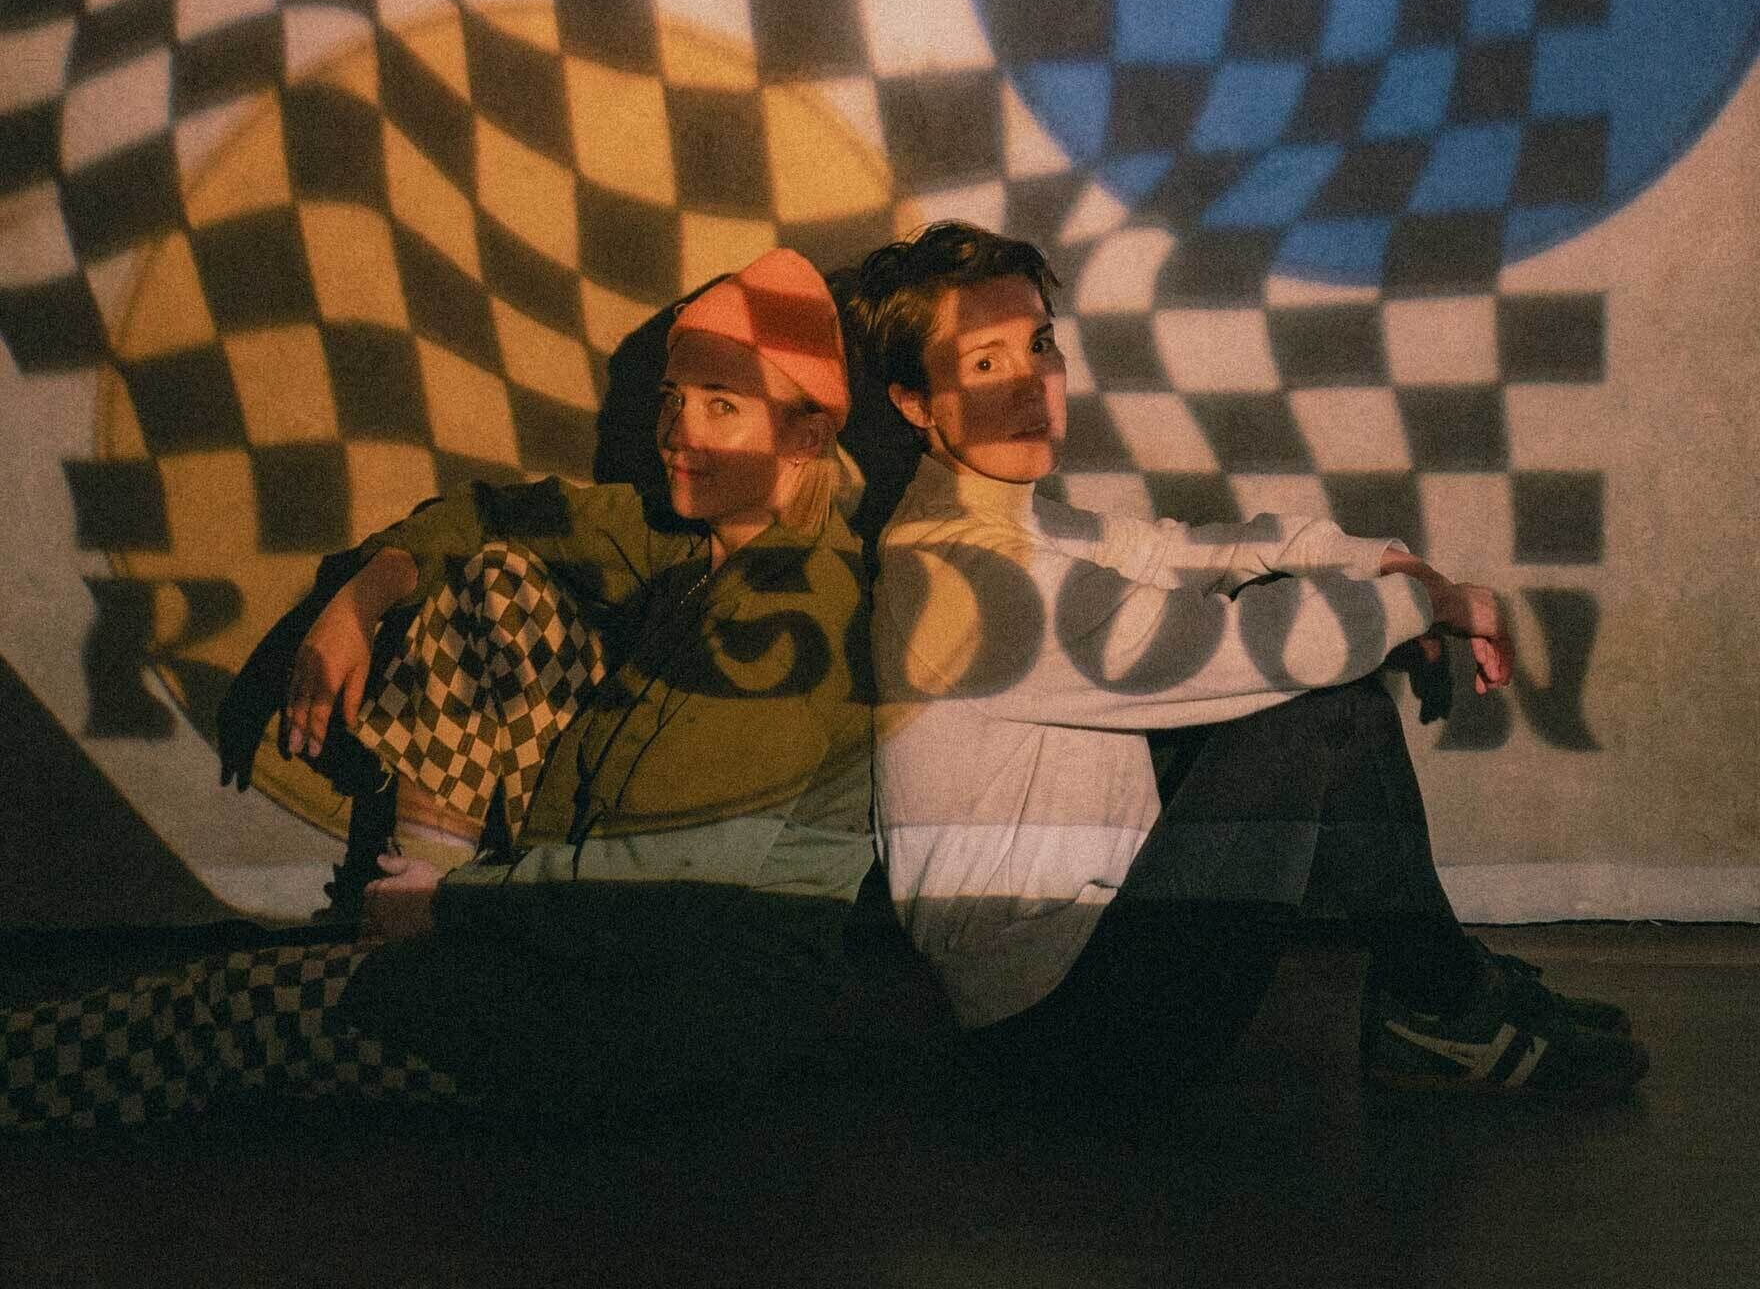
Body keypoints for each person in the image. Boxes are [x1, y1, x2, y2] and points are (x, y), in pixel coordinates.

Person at [2, 248, 871, 1130]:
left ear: (806, 435)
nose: (678, 431)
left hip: (655, 1025)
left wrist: (451, 906)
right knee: (495, 578)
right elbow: (496, 515)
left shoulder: (793, 609)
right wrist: (358, 601)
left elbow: (668, 888)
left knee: (224, 1013)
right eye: (673, 399)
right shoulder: (699, 541)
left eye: (722, 407)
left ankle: (411, 933)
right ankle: (412, 923)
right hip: (602, 951)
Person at [844, 221, 1644, 1107]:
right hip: (1057, 1035)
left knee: (1322, 677)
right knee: (1318, 708)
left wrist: (1388, 563)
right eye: (985, 362)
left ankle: (1442, 995)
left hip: (1085, 974)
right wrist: (1432, 605)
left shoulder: (1018, 526)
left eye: (1040, 345)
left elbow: (1203, 551)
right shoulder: (963, 580)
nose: (1033, 383)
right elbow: (1246, 646)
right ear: (915, 402)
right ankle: (1441, 1000)